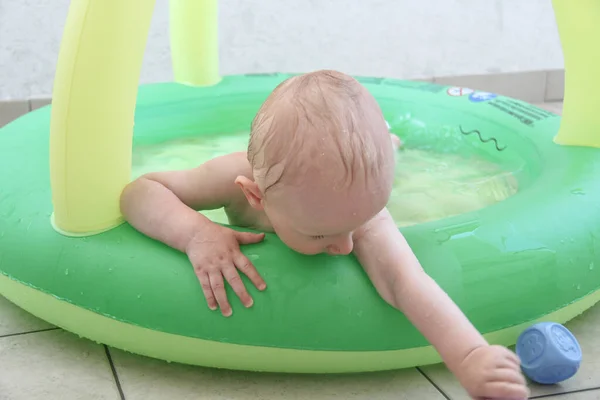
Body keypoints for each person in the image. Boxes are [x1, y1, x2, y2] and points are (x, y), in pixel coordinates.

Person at [120, 70, 528, 400]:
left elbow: (405, 281)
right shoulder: (232, 177)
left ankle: (388, 144)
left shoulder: (354, 208)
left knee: (369, 171)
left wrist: (470, 355)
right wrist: (196, 233)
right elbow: (140, 192)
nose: (346, 246)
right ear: (255, 197)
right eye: (322, 236)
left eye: (354, 227)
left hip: (350, 184)